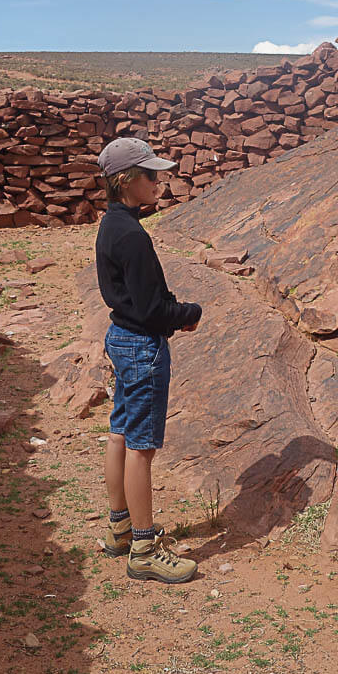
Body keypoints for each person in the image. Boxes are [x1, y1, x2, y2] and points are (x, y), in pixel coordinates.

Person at [95, 136, 202, 583]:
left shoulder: (111, 225)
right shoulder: (134, 237)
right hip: (142, 346)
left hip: (121, 337)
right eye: (151, 175)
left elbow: (137, 297)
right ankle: (143, 547)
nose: (159, 182)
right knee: (142, 447)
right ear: (126, 181)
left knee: (120, 434)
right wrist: (187, 314)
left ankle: (120, 529)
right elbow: (153, 309)